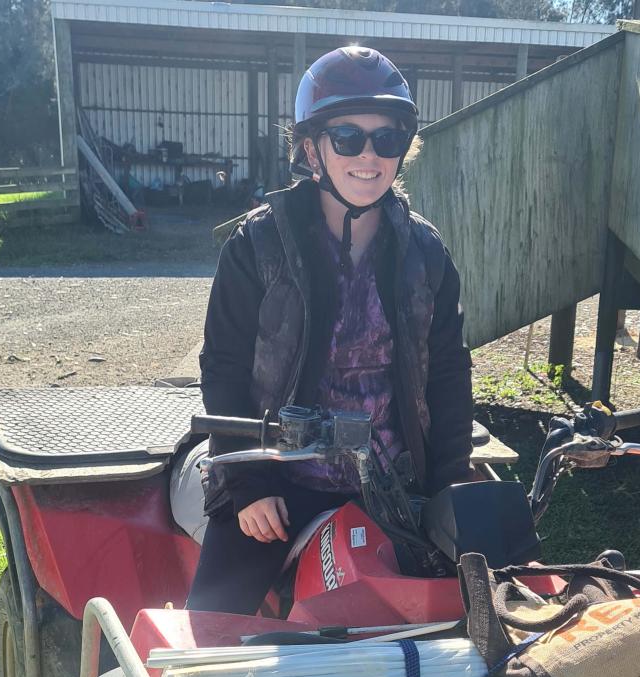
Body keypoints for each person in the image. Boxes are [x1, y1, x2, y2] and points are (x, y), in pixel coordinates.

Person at [184, 45, 474, 614]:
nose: (369, 155)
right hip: (279, 480)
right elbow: (223, 366)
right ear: (312, 149)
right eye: (348, 137)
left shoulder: (427, 253)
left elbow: (447, 376)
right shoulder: (256, 247)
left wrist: (449, 489)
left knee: (480, 626)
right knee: (208, 637)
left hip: (394, 484)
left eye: (387, 139)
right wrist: (248, 484)